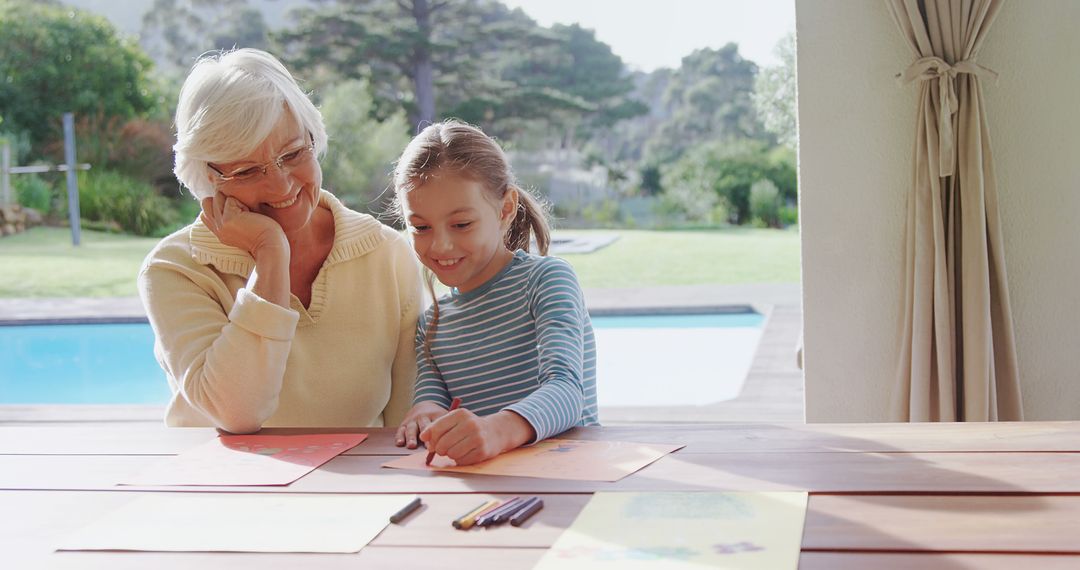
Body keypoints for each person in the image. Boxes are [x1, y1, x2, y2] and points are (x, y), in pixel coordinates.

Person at [138, 48, 423, 433]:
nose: (280, 184)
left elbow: (407, 424)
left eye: (292, 154)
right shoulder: (175, 269)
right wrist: (271, 255)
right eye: (248, 170)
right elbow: (236, 412)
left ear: (313, 137)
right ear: (207, 176)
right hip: (223, 490)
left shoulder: (386, 255)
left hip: (359, 490)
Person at [391, 120, 599, 466]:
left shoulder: (546, 280)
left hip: (571, 476)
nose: (440, 244)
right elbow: (431, 401)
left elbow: (567, 391)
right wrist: (424, 415)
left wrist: (496, 431)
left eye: (461, 224)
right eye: (421, 227)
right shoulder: (431, 323)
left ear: (505, 210)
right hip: (489, 489)